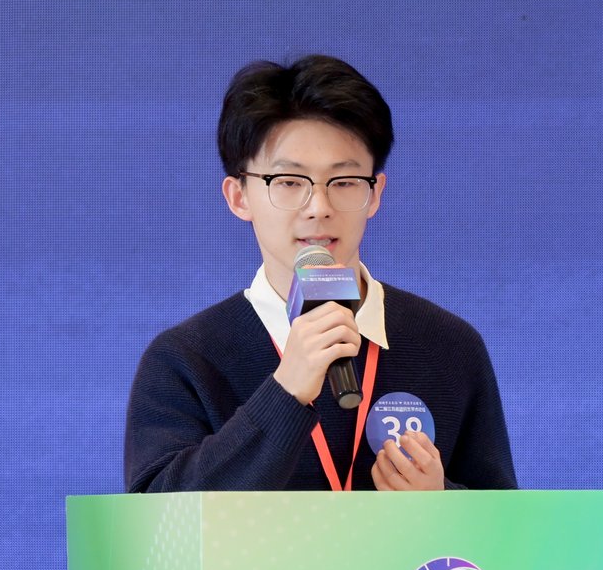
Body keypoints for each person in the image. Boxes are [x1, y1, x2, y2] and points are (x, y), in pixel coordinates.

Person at [124, 55, 517, 493]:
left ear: (375, 194)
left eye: (344, 182)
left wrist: (444, 501)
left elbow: (505, 525)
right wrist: (284, 392)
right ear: (239, 197)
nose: (319, 207)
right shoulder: (187, 359)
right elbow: (154, 519)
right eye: (289, 182)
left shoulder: (448, 346)